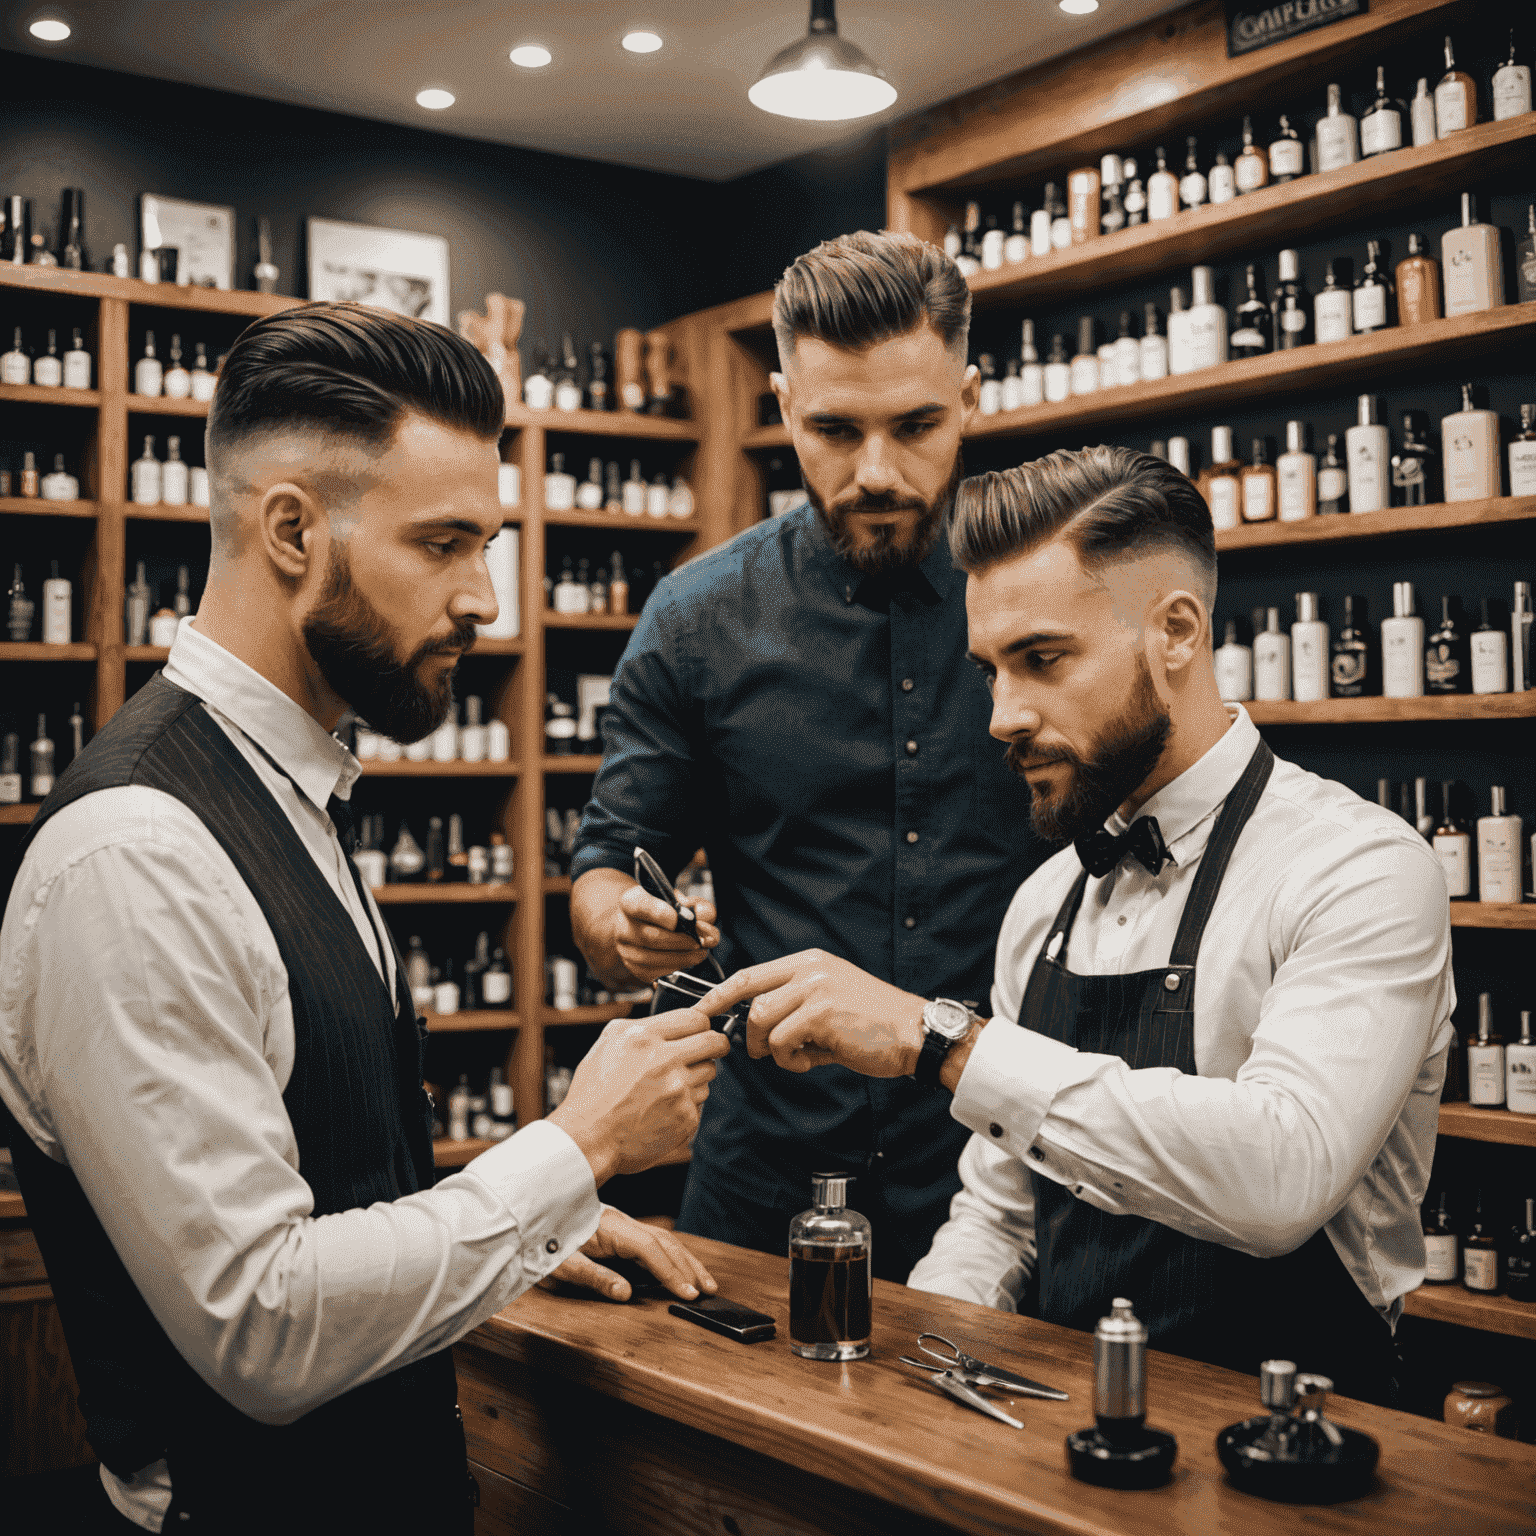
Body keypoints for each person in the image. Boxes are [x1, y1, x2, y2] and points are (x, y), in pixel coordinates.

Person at [0, 303, 729, 1535]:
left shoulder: (295, 791)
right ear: (292, 529)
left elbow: (324, 1186)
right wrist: (576, 1146)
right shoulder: (135, 857)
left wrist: (535, 1223)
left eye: (485, 544)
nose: (485, 599)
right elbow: (263, 1324)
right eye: (444, 544)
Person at [698, 446, 1453, 1406]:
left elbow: (1280, 1178)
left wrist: (938, 1041)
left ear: (1174, 632)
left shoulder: (1359, 869)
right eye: (991, 670)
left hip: (1301, 1450)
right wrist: (905, 1383)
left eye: (1043, 660)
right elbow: (1004, 1217)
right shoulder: (1044, 903)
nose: (1003, 716)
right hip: (1063, 1433)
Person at [569, 231, 1044, 1280]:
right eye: (834, 429)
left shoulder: (1051, 598)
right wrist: (628, 926)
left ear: (970, 397)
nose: (877, 471)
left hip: (1008, 1167)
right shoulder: (696, 619)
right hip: (763, 1173)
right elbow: (604, 875)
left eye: (916, 425)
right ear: (781, 405)